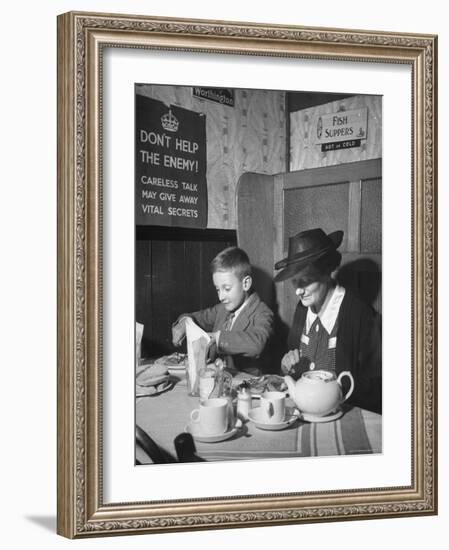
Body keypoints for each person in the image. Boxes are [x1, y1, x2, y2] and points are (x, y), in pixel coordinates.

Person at [274, 228, 381, 413]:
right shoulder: (302, 309)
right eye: (295, 281)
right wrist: (287, 365)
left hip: (346, 414)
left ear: (326, 273)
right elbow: (294, 363)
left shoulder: (359, 314)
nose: (298, 291)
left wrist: (334, 395)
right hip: (306, 411)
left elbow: (378, 384)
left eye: (306, 281)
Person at [172, 246, 273, 375]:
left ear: (246, 284)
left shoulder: (262, 313)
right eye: (218, 289)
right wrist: (184, 323)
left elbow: (257, 343)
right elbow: (196, 317)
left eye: (226, 288)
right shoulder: (222, 309)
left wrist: (217, 338)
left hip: (246, 387)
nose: (221, 297)